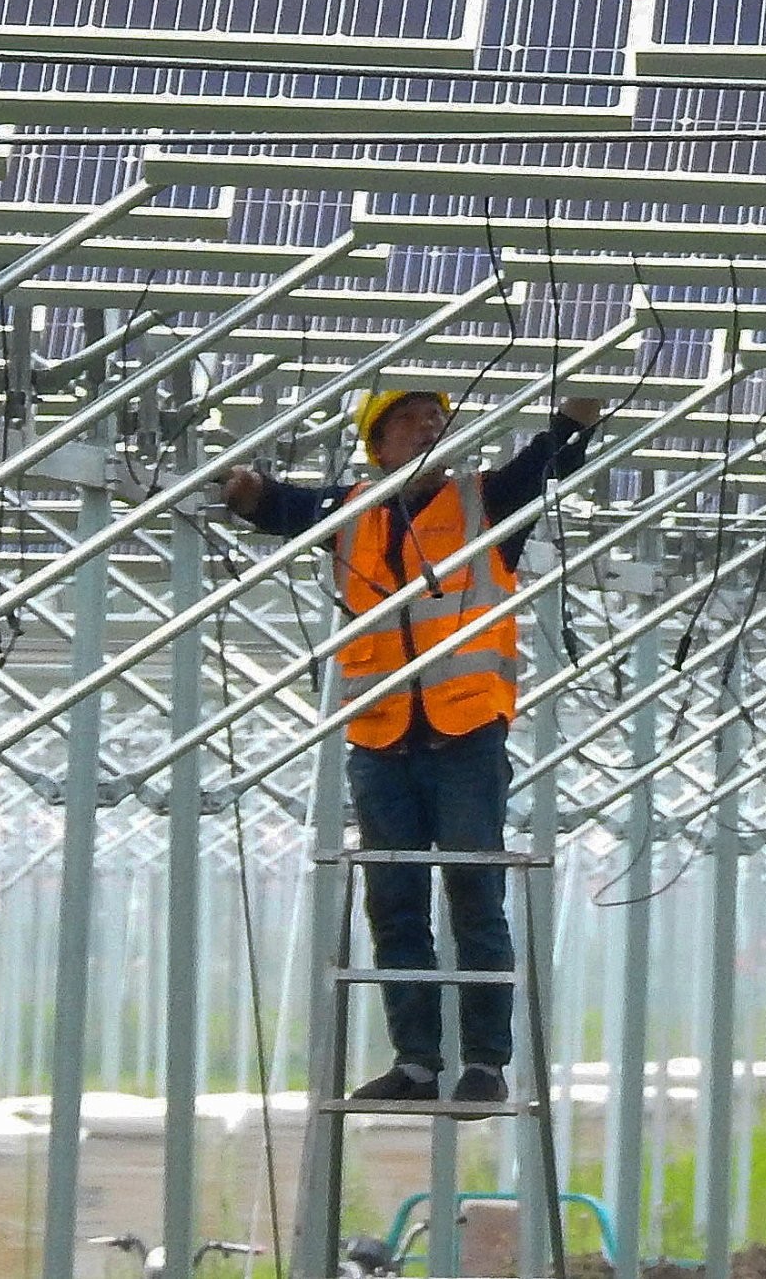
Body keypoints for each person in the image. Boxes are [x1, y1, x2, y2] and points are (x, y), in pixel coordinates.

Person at [222, 384, 609, 1108]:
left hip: (465, 729)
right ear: (379, 446)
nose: (429, 429)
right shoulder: (347, 514)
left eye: (437, 420)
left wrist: (574, 420)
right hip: (380, 736)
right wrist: (244, 490)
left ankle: (486, 1062)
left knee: (473, 890)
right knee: (394, 902)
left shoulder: (481, 503)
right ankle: (418, 1062)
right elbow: (278, 507)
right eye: (410, 422)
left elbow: (541, 466)